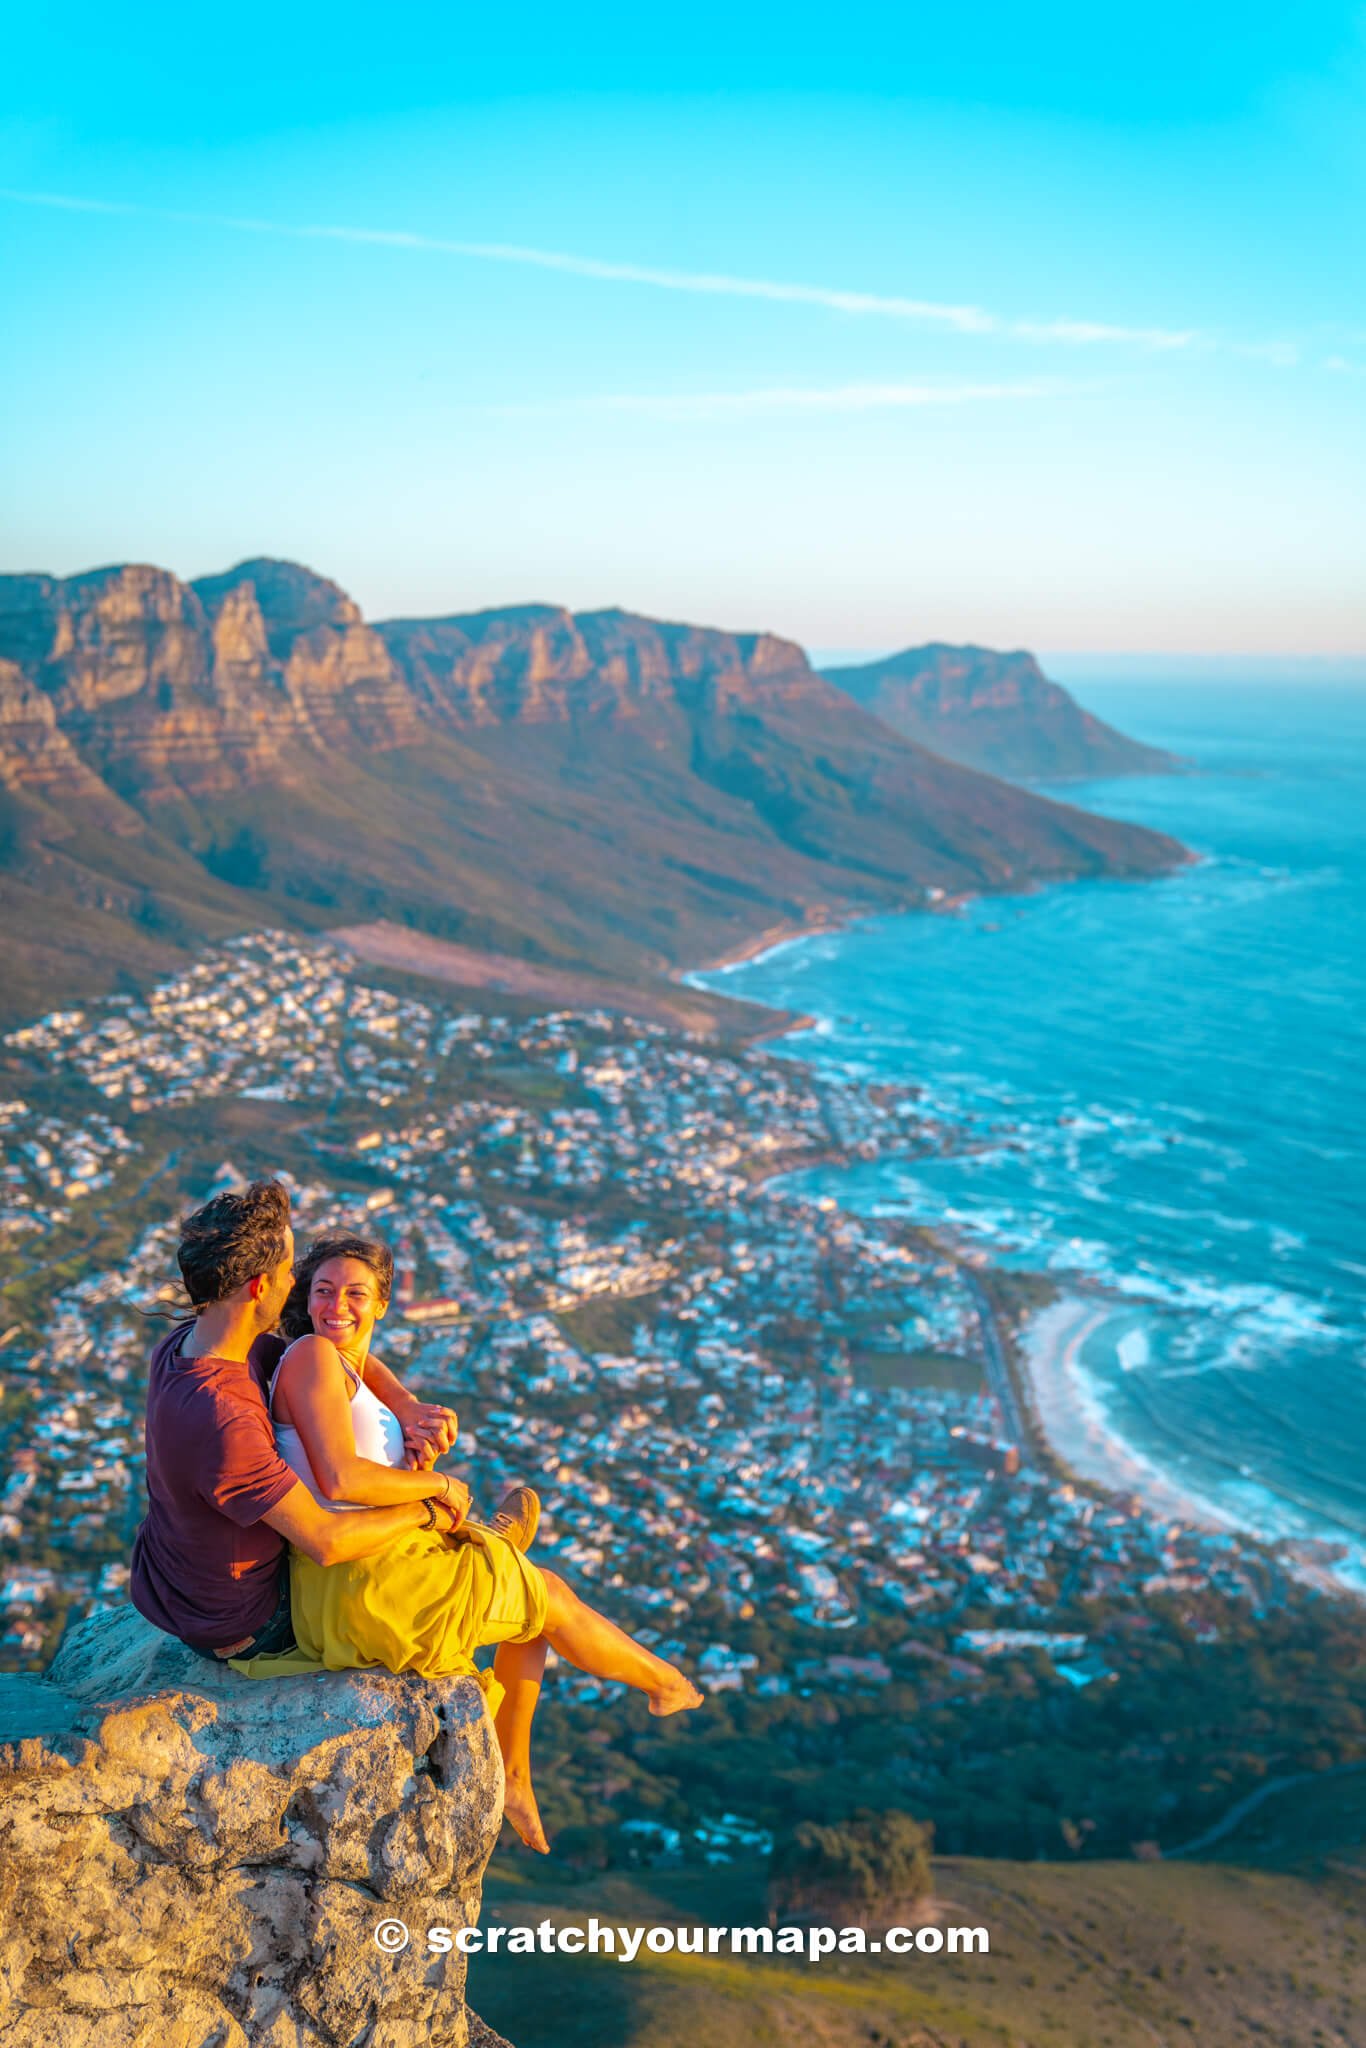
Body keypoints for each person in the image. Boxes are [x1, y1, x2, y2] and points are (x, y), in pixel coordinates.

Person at [246, 1227, 703, 1854]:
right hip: (367, 1581)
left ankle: (514, 1767)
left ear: (382, 1303)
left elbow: (364, 1373)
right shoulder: (313, 1357)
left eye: (356, 1294)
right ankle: (664, 1686)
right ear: (307, 1296)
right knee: (549, 1598)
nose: (337, 1307)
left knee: (526, 1605)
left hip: (359, 1574)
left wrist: (405, 1409)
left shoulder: (340, 1363)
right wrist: (437, 1483)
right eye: (324, 1292)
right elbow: (339, 1477)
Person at [130, 1179, 469, 1665]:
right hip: (244, 1621)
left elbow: (325, 1355)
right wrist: (432, 1504)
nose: (295, 1283)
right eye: (290, 1271)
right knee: (429, 1578)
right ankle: (481, 1554)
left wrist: (405, 1403)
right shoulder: (223, 1418)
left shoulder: (197, 1343)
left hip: (175, 1585)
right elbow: (327, 1542)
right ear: (260, 1285)